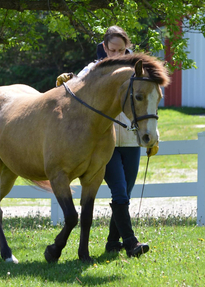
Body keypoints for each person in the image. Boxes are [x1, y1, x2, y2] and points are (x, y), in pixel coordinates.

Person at [56, 26, 158, 257]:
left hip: (131, 142)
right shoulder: (94, 69)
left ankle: (113, 243)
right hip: (105, 142)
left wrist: (152, 135)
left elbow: (149, 100)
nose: (118, 55)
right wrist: (66, 80)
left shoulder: (137, 70)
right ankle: (131, 243)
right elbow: (76, 88)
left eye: (122, 50)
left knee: (125, 194)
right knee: (120, 192)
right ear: (105, 48)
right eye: (113, 50)